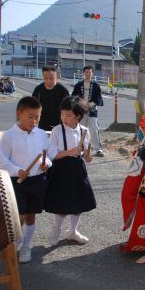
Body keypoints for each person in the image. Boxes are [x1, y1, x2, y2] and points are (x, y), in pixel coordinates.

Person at [0, 96, 52, 263]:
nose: (34, 121)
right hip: (17, 182)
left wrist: (46, 164)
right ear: (19, 114)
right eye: (30, 116)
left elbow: (48, 156)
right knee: (18, 215)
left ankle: (26, 245)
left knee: (31, 215)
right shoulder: (9, 135)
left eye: (38, 117)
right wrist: (16, 170)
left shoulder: (42, 134)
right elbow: (2, 160)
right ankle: (15, 243)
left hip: (37, 180)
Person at [45, 96, 96, 245]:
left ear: (78, 116)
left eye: (68, 115)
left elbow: (86, 154)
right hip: (61, 170)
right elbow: (52, 154)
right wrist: (69, 152)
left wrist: (88, 157)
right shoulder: (56, 130)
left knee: (78, 202)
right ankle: (57, 229)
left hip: (78, 169)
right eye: (62, 114)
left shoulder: (84, 131)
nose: (63, 118)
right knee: (62, 203)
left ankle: (73, 231)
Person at [72, 66, 105, 157]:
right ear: (83, 73)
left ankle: (98, 149)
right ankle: (81, 148)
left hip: (92, 111)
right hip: (81, 111)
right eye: (86, 72)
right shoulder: (78, 85)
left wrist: (89, 105)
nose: (88, 74)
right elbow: (74, 97)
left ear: (92, 73)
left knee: (94, 129)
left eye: (90, 72)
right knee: (81, 130)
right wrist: (82, 105)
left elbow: (98, 98)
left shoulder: (96, 85)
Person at [32, 65, 70, 131]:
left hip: (59, 123)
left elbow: (69, 108)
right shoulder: (38, 89)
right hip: (43, 123)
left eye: (51, 78)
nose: (48, 81)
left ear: (56, 77)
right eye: (46, 78)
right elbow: (33, 106)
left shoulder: (63, 90)